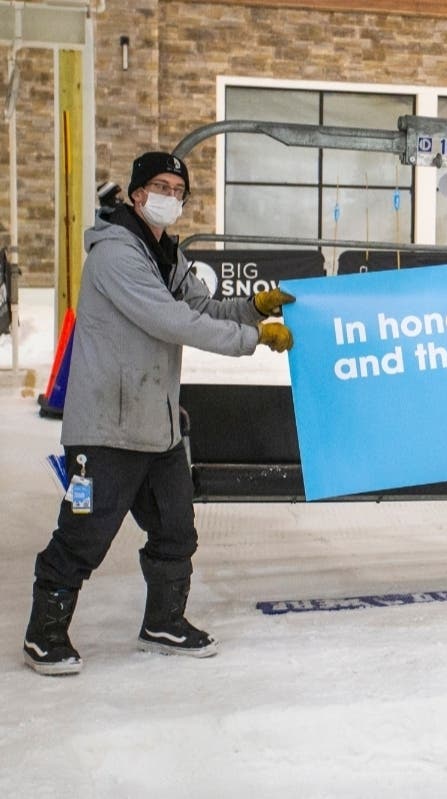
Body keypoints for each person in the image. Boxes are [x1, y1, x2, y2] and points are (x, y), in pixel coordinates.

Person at [23, 151, 296, 676]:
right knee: (83, 537)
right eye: (161, 186)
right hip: (107, 427)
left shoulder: (166, 255)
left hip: (159, 425)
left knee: (176, 529)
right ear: (136, 194)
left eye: (179, 188)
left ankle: (164, 623)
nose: (171, 196)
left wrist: (251, 310)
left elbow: (202, 310)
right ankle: (44, 634)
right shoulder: (116, 257)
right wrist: (252, 340)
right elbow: (171, 320)